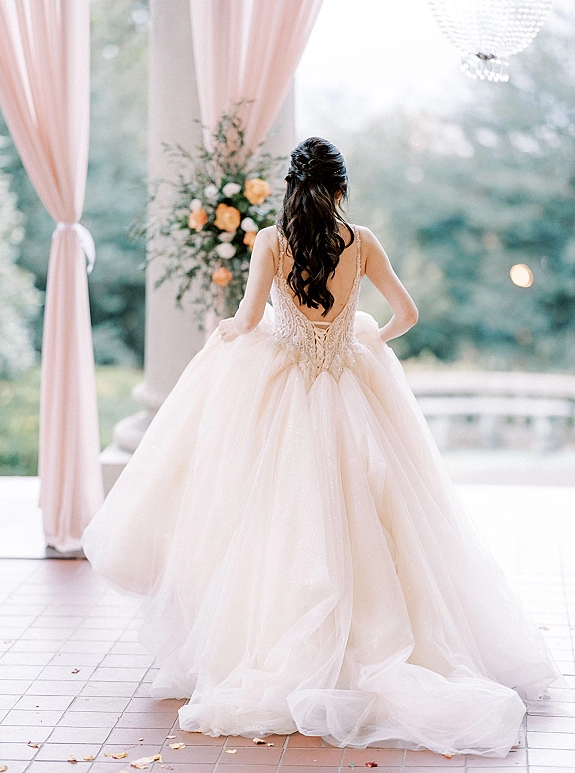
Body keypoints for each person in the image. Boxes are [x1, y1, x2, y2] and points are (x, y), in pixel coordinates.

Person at [82, 136, 565, 758]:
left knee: (280, 519)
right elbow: (408, 314)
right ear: (341, 186)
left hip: (287, 390)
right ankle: (384, 642)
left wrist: (227, 332)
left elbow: (250, 319)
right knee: (377, 512)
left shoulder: (271, 242)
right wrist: (369, 340)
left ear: (290, 186)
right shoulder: (361, 241)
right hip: (350, 384)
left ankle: (284, 642)